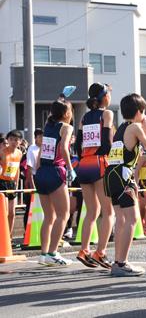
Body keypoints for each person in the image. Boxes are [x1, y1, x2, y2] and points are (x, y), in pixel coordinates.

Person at [104, 93, 146, 276]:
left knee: (121, 219)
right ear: (140, 111)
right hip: (123, 175)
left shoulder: (121, 128)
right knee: (132, 219)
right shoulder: (135, 127)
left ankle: (118, 261)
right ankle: (121, 262)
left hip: (111, 174)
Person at [75, 83, 115, 269]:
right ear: (104, 96)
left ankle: (84, 250)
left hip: (84, 163)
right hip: (100, 162)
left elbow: (78, 145)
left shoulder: (84, 117)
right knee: (108, 211)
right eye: (110, 93)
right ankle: (101, 252)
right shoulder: (107, 114)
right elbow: (107, 143)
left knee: (91, 211)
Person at [34, 98, 75, 266]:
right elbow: (64, 148)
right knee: (63, 215)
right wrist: (71, 168)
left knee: (49, 216)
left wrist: (37, 170)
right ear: (66, 113)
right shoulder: (67, 127)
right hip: (56, 171)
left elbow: (42, 150)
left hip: (42, 171)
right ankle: (53, 252)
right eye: (71, 110)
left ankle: (44, 254)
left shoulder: (48, 126)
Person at [0, 129, 24, 239]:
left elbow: (17, 169)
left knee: (12, 213)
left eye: (16, 140)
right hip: (2, 183)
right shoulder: (2, 152)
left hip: (12, 184)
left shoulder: (19, 153)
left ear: (20, 141)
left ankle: (8, 237)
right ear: (7, 140)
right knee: (4, 212)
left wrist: (17, 183)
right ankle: (3, 236)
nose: (13, 142)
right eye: (11, 139)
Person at [24, 128, 43, 230]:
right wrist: (32, 185)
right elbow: (30, 169)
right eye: (40, 137)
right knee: (30, 206)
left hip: (43, 178)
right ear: (35, 138)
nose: (42, 139)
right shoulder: (32, 148)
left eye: (43, 137)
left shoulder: (46, 148)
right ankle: (27, 231)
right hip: (34, 178)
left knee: (42, 206)